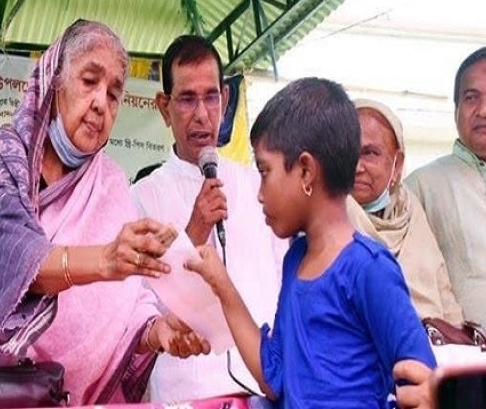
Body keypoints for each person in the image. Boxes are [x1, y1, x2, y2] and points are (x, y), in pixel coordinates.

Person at [0, 19, 209, 405]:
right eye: (89, 81)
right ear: (55, 81)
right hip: (3, 395)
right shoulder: (8, 155)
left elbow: (127, 305)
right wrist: (105, 259)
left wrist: (157, 332)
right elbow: (13, 254)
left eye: (114, 93)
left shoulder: (111, 184)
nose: (100, 102)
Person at [186, 78, 436, 409]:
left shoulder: (369, 270)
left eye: (265, 171)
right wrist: (222, 284)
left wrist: (432, 394)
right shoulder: (297, 259)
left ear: (305, 171)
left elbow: (422, 381)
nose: (260, 194)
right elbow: (274, 379)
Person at [131, 35, 286, 400]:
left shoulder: (257, 185)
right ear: (163, 107)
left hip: (265, 390)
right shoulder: (141, 199)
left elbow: (285, 286)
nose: (201, 114)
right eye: (187, 99)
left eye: (211, 97)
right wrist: (195, 231)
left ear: (225, 100)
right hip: (186, 394)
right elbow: (141, 318)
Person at [348, 99, 463, 323]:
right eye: (348, 152)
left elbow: (444, 294)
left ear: (397, 164)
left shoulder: (409, 210)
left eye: (370, 153)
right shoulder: (323, 214)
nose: (357, 167)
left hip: (431, 348)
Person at [405, 48, 486, 328]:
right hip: (463, 360)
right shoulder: (419, 187)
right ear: (456, 111)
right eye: (471, 98)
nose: (483, 110)